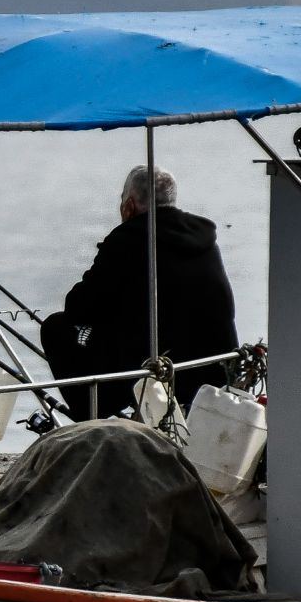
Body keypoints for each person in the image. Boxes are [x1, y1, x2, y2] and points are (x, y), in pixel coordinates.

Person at [38, 165, 239, 421]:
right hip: (214, 370)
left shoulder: (126, 239)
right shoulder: (205, 240)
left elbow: (78, 308)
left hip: (156, 370)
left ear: (130, 205)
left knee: (57, 328)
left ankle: (91, 416)